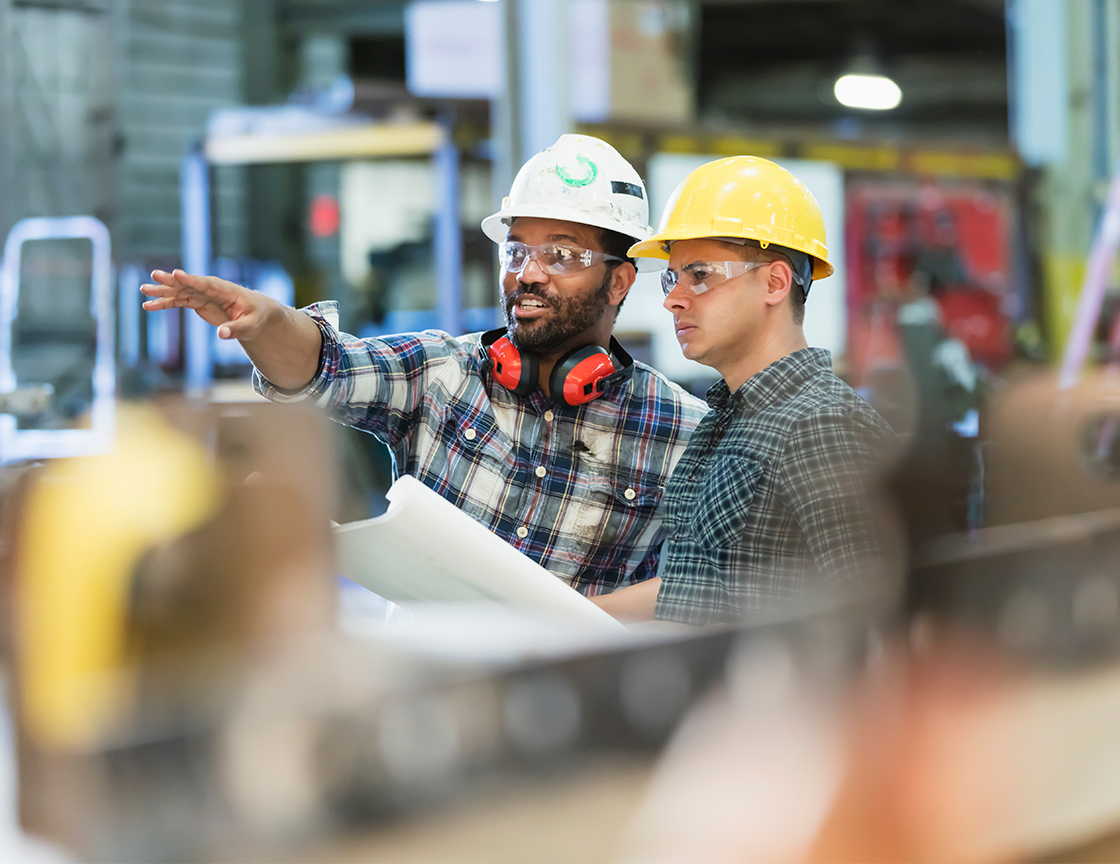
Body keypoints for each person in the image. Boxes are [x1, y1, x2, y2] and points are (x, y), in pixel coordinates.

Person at [141, 134, 708, 597]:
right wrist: (265, 322)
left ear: (621, 279)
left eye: (560, 254)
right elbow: (324, 365)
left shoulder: (682, 431)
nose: (528, 273)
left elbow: (693, 595)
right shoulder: (441, 373)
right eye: (517, 250)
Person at [591, 155, 900, 625]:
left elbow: (882, 612)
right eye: (673, 278)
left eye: (701, 275)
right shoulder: (725, 421)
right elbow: (696, 588)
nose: (673, 298)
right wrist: (562, 615)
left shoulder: (822, 425)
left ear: (775, 282)